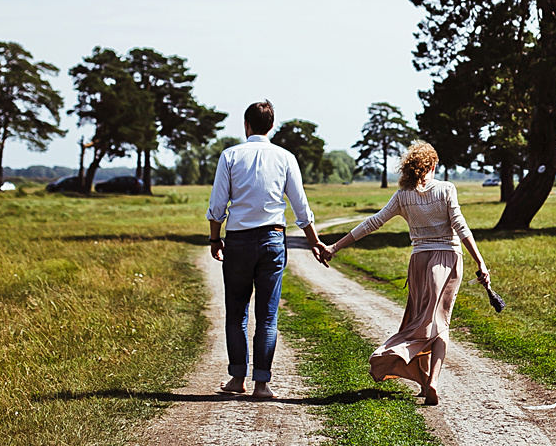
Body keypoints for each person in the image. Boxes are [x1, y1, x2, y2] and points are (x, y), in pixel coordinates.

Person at [318, 140, 490, 405]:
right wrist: (480, 262)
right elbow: (461, 226)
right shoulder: (446, 189)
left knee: (421, 318)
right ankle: (432, 381)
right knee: (439, 322)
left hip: (419, 262)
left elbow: (373, 222)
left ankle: (423, 381)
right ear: (433, 165)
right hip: (447, 260)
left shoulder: (403, 195)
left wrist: (335, 246)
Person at [206, 99, 327, 399]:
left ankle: (237, 378)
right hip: (273, 240)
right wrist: (314, 241)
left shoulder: (230, 156)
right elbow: (300, 206)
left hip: (237, 241)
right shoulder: (285, 158)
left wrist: (214, 239)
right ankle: (262, 384)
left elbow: (217, 205)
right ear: (271, 126)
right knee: (268, 316)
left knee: (237, 313)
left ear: (246, 125)